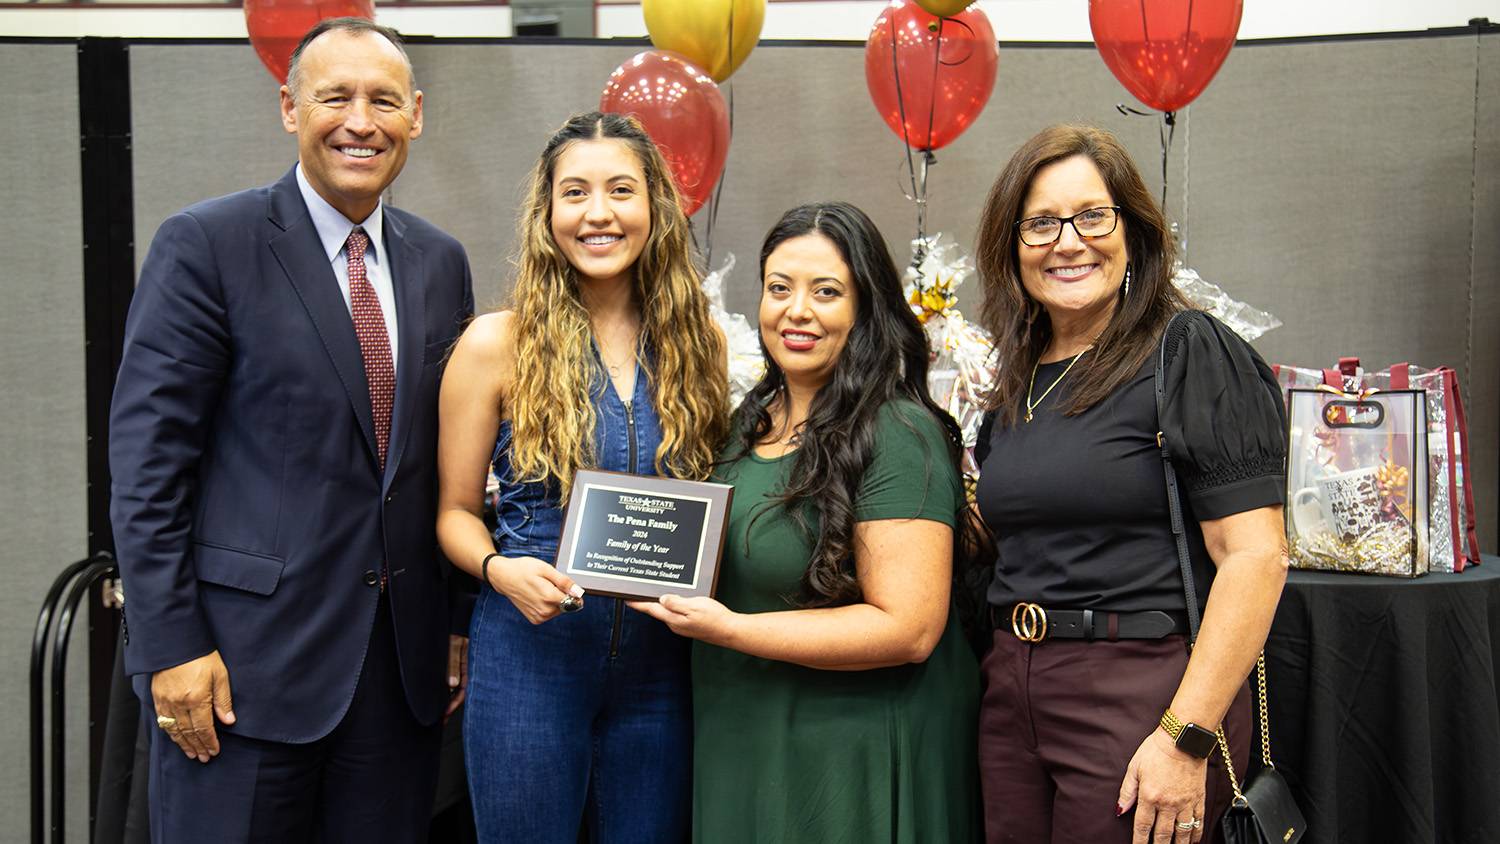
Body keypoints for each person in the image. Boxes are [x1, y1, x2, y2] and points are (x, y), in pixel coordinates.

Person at [108, 17, 473, 842]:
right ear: (287, 108)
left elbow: (446, 463)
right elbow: (147, 470)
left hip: (396, 682)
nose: (359, 121)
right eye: (333, 97)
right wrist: (170, 648)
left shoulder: (440, 261)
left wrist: (453, 622)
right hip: (237, 676)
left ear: (414, 114)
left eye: (383, 100)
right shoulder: (208, 244)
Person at [969, 123, 1288, 844]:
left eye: (1092, 216)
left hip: (1141, 693)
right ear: (1010, 244)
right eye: (1041, 223)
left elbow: (1255, 558)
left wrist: (1185, 737)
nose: (1068, 241)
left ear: (1133, 231)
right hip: (1012, 692)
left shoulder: (1190, 352)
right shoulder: (1018, 378)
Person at [631, 201, 983, 843]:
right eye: (778, 288)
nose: (797, 311)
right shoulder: (748, 422)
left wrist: (733, 631)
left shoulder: (897, 432)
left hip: (850, 753)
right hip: (743, 731)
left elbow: (907, 629)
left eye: (827, 291)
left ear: (866, 308)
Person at [435, 111, 730, 842]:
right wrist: (499, 570)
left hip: (662, 667)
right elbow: (452, 513)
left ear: (656, 208)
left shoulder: (702, 343)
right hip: (530, 660)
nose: (598, 213)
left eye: (621, 190)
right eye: (575, 193)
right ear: (548, 214)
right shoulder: (495, 344)